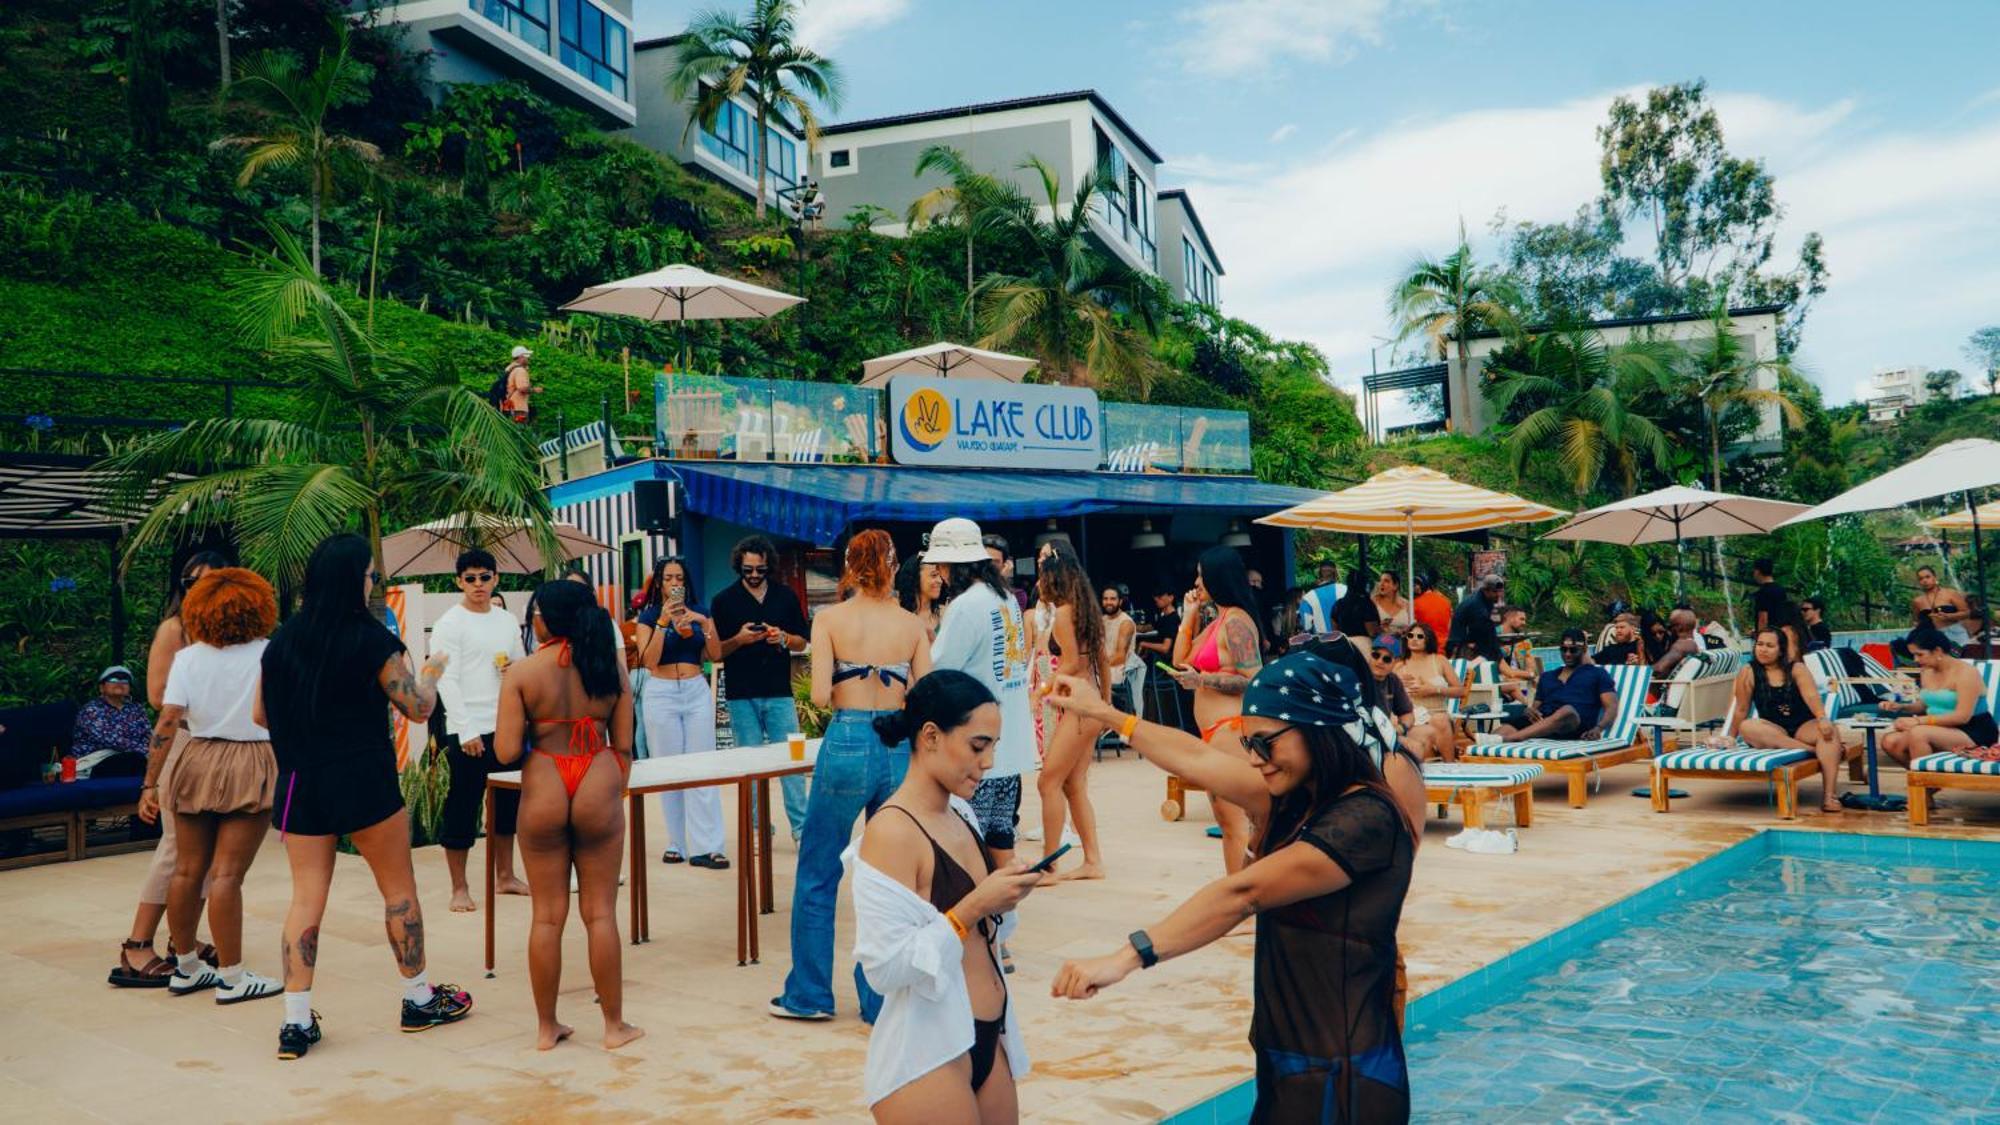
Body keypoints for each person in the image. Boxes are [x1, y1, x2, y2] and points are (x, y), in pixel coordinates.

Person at [1044, 651, 1418, 1123]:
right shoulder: (1301, 796)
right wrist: (1103, 712)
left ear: (1317, 728)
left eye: (1265, 744)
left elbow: (1243, 894)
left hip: (1343, 1074)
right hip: (1295, 1061)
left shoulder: (1365, 819)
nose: (1255, 759)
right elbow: (1196, 758)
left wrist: (1124, 959)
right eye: (1249, 745)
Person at [259, 534, 472, 1059]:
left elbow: (260, 715)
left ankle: (294, 1022)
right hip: (364, 779)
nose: (373, 582)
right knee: (398, 889)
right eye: (370, 575)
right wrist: (431, 671)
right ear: (353, 580)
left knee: (306, 897)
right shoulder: (372, 640)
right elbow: (419, 710)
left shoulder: (281, 642)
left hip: (301, 785)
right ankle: (418, 999)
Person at [853, 671, 1044, 1121]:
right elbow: (884, 968)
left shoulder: (960, 812)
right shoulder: (893, 830)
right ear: (931, 736)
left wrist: (1005, 896)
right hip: (928, 1051)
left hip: (987, 1034)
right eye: (978, 746)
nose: (989, 761)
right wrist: (975, 904)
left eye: (994, 746)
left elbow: (982, 936)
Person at [773, 530, 931, 1023]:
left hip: (846, 740)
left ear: (849, 566)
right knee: (885, 875)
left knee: (819, 869)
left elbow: (819, 695)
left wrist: (850, 674)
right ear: (892, 565)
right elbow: (923, 695)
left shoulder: (830, 619)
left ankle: (811, 994)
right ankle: (877, 1000)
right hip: (898, 745)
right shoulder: (911, 625)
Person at [493, 579, 642, 1052]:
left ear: (542, 621)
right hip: (598, 779)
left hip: (544, 785)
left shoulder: (522, 673)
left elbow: (505, 750)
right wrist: (613, 779)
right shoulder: (609, 667)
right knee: (600, 913)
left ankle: (545, 1027)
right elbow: (623, 744)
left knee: (547, 916)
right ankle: (614, 1027)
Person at [142, 567, 280, 1002]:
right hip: (250, 759)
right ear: (258, 607)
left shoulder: (189, 657)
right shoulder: (269, 653)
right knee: (226, 875)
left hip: (194, 756)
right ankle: (234, 978)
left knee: (187, 869)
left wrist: (150, 782)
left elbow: (167, 720)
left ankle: (186, 967)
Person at [112, 552, 228, 989]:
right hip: (181, 740)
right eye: (195, 581)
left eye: (215, 581)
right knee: (177, 847)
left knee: (209, 852)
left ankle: (185, 940)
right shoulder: (174, 629)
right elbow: (160, 697)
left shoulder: (226, 632)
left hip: (216, 744)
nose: (204, 589)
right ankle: (137, 943)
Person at [925, 519, 1035, 879]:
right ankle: (1004, 923)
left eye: (941, 566)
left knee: (968, 848)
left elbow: (939, 671)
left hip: (976, 750)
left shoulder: (965, 605)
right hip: (1010, 746)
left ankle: (980, 926)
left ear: (954, 565)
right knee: (1001, 838)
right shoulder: (1004, 598)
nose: (939, 575)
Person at [430, 549, 529, 912]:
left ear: (496, 579)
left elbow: (520, 664)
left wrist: (513, 674)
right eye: (470, 578)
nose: (478, 585)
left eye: (484, 577)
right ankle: (459, 887)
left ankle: (505, 875)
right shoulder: (449, 623)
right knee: (463, 803)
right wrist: (466, 729)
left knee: (508, 803)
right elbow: (445, 681)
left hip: (505, 723)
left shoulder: (505, 620)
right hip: (467, 727)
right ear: (458, 581)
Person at [1169, 546, 1265, 876]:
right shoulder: (1217, 620)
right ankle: (1238, 895)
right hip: (1213, 734)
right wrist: (1189, 615)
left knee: (1236, 824)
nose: (1197, 582)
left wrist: (1204, 679)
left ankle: (1242, 901)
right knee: (1228, 823)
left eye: (1201, 575)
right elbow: (1180, 660)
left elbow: (1254, 680)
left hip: (1231, 729)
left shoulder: (1237, 622)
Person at [711, 535, 811, 840]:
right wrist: (739, 640)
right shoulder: (723, 601)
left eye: (760, 570)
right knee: (750, 765)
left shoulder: (785, 596)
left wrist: (781, 637)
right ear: (739, 567)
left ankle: (800, 829)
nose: (754, 575)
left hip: (779, 690)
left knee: (791, 763)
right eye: (748, 570)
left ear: (769, 567)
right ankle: (756, 828)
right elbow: (716, 652)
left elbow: (802, 640)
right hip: (742, 692)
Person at [635, 557, 727, 869]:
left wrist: (702, 623)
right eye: (668, 578)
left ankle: (710, 846)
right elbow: (648, 660)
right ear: (659, 584)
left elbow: (715, 655)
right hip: (661, 692)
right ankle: (677, 842)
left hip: (695, 689)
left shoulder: (701, 612)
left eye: (679, 578)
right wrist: (663, 622)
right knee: (669, 769)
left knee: (703, 767)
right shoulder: (648, 616)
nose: (675, 584)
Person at [1035, 550, 1110, 881]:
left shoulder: (1065, 613)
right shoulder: (1085, 610)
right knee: (1073, 784)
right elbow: (1101, 661)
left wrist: (1041, 691)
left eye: (1041, 575)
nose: (1037, 582)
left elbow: (1070, 663)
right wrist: (1105, 703)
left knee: (1048, 780)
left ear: (1053, 578)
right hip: (1090, 703)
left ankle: (1050, 865)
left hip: (1078, 707)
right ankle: (1093, 861)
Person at [1717, 627, 1846, 813]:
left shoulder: (1797, 668)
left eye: (1770, 645)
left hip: (1803, 726)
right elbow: (1741, 709)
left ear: (1781, 650)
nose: (1763, 649)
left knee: (1830, 731)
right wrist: (1729, 736)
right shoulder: (1748, 671)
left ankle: (1829, 797)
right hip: (1774, 730)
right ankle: (1813, 751)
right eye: (1760, 644)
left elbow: (1812, 697)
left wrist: (1823, 719)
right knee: (1748, 726)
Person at [1879, 626, 1998, 765]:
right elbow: (1924, 705)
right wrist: (1900, 707)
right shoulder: (1927, 671)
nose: (1915, 659)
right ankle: (1925, 782)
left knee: (1919, 733)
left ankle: (1924, 782)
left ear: (1937, 651)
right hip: (1939, 729)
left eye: (1920, 654)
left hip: (1973, 731)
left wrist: (1918, 722)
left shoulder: (1966, 673)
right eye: (1913, 655)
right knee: (1890, 741)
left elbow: (1962, 716)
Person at [1497, 628, 1617, 743]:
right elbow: (1535, 708)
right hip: (1543, 725)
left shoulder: (1597, 673)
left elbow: (1611, 707)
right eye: (1564, 649)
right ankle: (1493, 744)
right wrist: (1530, 711)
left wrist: (1598, 728)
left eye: (1573, 650)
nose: (1568, 654)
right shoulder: (1547, 677)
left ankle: (1514, 738)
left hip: (1574, 726)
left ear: (1585, 649)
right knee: (1502, 730)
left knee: (1567, 711)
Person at [1393, 623, 1461, 760]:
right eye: (1410, 636)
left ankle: (1451, 766)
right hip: (1413, 717)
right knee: (1418, 737)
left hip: (1438, 714)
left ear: (1428, 639)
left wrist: (1434, 689)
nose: (1414, 639)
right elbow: (1386, 693)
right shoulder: (1399, 666)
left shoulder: (1439, 661)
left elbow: (1461, 691)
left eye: (1419, 636)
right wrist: (1397, 683)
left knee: (1439, 720)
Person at [71, 666, 151, 769]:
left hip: (133, 759)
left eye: (125, 681)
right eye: (113, 680)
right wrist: (147, 752)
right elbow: (111, 739)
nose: (119, 683)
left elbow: (148, 735)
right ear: (102, 688)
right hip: (95, 763)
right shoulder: (91, 710)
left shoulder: (137, 709)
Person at [1364, 637, 1428, 758]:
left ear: (1396, 661)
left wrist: (1401, 727)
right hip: (1359, 735)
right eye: (1376, 655)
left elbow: (1407, 713)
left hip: (1384, 734)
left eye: (1387, 659)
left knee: (1421, 742)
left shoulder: (1393, 680)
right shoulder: (1356, 677)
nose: (1380, 661)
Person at [1447, 573, 1505, 663]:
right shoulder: (1477, 605)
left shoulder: (1486, 600)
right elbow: (1482, 629)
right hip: (1462, 646)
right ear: (1486, 590)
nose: (1498, 594)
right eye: (1494, 591)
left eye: (1500, 591)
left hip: (1469, 642)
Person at [1909, 565, 1973, 646]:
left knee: (1962, 657)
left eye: (1927, 577)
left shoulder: (1950, 593)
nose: (1924, 581)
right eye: (1921, 579)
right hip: (1933, 637)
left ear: (1935, 577)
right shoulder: (1917, 601)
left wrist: (1949, 616)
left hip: (1955, 634)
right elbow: (1916, 621)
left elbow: (1967, 613)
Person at [1101, 584, 1140, 713]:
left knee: (1088, 681)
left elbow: (1120, 657)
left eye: (1112, 599)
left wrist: (1098, 667)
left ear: (1120, 601)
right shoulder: (1102, 620)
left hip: (1118, 669)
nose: (1108, 602)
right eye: (1105, 599)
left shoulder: (1125, 623)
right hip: (1104, 666)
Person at [897, 556, 944, 640]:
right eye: (934, 575)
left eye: (940, 576)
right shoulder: (898, 614)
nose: (940, 581)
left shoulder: (945, 613)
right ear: (915, 578)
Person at [1650, 608, 1703, 681]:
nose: (1669, 630)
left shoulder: (1681, 645)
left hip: (1667, 690)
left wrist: (1635, 671)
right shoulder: (1693, 643)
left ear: (1679, 627)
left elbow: (1659, 668)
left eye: (1671, 626)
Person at [1331, 568, 1382, 638]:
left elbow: (1335, 632)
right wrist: (1386, 632)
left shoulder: (1337, 604)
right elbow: (1373, 633)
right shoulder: (1366, 604)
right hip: (1363, 645)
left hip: (1345, 645)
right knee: (1394, 643)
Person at [983, 534, 1028, 612]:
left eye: (995, 562)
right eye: (987, 561)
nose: (990, 566)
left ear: (1005, 564)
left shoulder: (1018, 595)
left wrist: (1001, 581)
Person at [1410, 571, 1453, 646]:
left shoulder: (1415, 603)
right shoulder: (1446, 601)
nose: (1415, 588)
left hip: (1426, 646)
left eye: (1417, 584)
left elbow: (1412, 626)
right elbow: (1450, 626)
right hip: (1444, 646)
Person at [502, 344, 543, 423]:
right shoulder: (520, 370)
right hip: (518, 407)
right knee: (520, 430)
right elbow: (522, 388)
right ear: (521, 357)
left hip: (508, 406)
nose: (528, 358)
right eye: (526, 356)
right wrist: (535, 390)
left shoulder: (509, 368)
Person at [1750, 558, 1787, 634]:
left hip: (1768, 635)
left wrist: (1760, 637)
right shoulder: (1781, 590)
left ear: (1757, 571)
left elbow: (1763, 619)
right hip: (1779, 633)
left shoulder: (1762, 593)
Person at [1371, 571, 1412, 635]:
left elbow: (1412, 627)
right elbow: (1369, 629)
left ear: (1395, 586)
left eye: (1386, 581)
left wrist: (1404, 630)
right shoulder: (1373, 601)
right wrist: (1380, 627)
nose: (1381, 584)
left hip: (1403, 640)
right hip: (1381, 639)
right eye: (1380, 580)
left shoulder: (1407, 604)